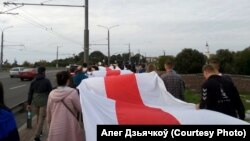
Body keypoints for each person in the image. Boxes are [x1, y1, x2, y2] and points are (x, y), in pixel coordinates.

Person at [47, 71, 84, 141]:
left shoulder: (51, 94)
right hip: (70, 125)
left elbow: (48, 113)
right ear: (67, 81)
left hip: (55, 125)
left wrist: (49, 126)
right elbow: (80, 109)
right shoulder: (73, 92)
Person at [27, 66, 52, 141]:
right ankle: (37, 135)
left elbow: (30, 93)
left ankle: (40, 131)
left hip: (35, 101)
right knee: (41, 118)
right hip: (43, 101)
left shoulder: (33, 81)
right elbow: (50, 92)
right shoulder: (46, 81)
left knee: (38, 116)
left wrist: (29, 103)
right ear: (43, 72)